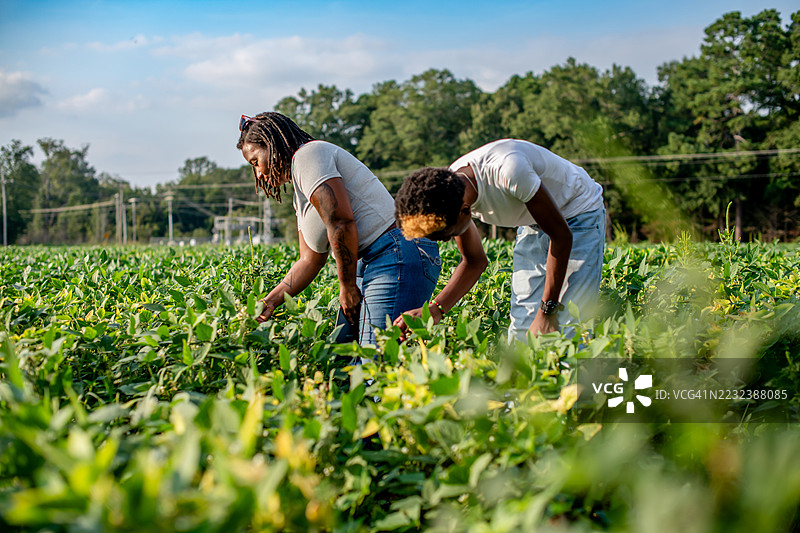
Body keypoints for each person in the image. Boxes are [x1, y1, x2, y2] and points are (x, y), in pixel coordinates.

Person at [237, 112, 441, 345]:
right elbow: (309, 260)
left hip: (396, 253)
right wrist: (270, 301)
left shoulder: (307, 156)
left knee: (374, 362)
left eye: (256, 162)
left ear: (273, 146)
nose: (259, 174)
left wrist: (347, 286)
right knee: (346, 361)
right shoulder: (301, 193)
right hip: (372, 262)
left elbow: (341, 222)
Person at [393, 138, 605, 341]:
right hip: (532, 221)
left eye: (448, 236)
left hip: (577, 213)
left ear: (465, 211)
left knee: (570, 324)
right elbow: (474, 262)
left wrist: (547, 311)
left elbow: (561, 237)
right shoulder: (447, 192)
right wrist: (434, 310)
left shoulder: (509, 170)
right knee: (523, 325)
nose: (448, 241)